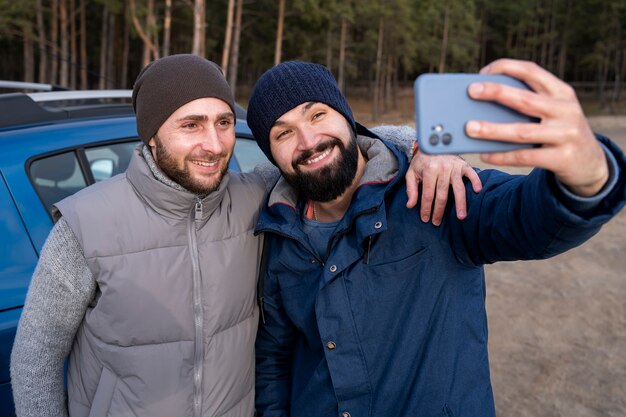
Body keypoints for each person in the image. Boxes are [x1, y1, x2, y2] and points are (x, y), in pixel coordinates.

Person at [9, 54, 478, 417]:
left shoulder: (256, 194)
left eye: (224, 123)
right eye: (190, 125)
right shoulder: (84, 225)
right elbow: (34, 359)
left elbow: (334, 147)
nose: (214, 145)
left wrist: (426, 146)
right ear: (150, 137)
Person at [246, 59, 626, 417]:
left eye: (317, 114)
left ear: (347, 118)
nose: (309, 140)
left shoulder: (434, 191)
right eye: (284, 132)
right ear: (271, 154)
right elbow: (276, 357)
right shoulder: (279, 232)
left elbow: (524, 217)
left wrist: (587, 175)